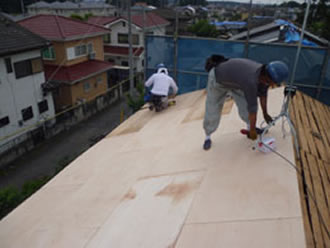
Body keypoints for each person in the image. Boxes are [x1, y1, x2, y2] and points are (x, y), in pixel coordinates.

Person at [203, 55, 289, 150]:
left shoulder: (264, 76)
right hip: (218, 80)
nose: (274, 85)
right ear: (267, 78)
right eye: (274, 82)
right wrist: (252, 131)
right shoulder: (251, 81)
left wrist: (265, 114)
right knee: (213, 108)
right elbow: (253, 108)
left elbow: (263, 95)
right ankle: (208, 135)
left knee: (244, 105)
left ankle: (249, 127)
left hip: (237, 82)